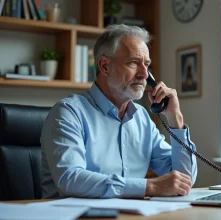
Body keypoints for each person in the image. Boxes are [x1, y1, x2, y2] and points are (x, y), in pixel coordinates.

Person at [40, 24, 198, 199]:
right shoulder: (68, 113)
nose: (144, 74)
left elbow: (184, 180)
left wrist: (175, 119)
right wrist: (149, 186)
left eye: (146, 65)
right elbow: (70, 180)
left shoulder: (141, 118)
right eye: (133, 63)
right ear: (105, 66)